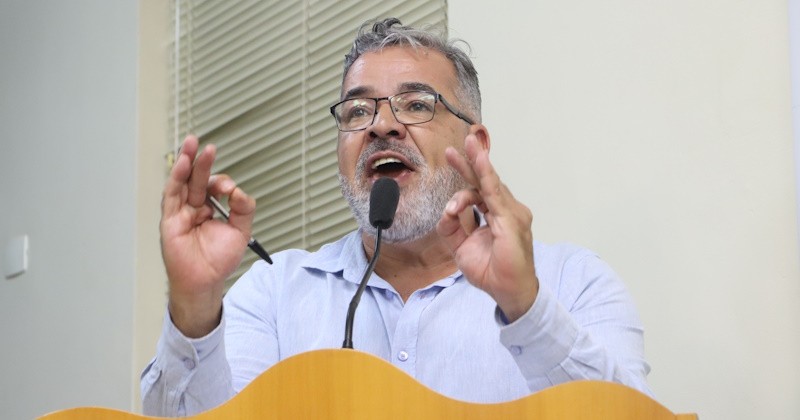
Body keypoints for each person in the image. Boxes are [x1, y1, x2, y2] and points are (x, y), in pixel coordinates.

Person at [141, 18, 651, 416]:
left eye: (416, 104)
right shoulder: (274, 294)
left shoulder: (572, 283)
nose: (382, 125)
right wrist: (194, 304)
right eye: (358, 111)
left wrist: (525, 307)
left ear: (474, 143)